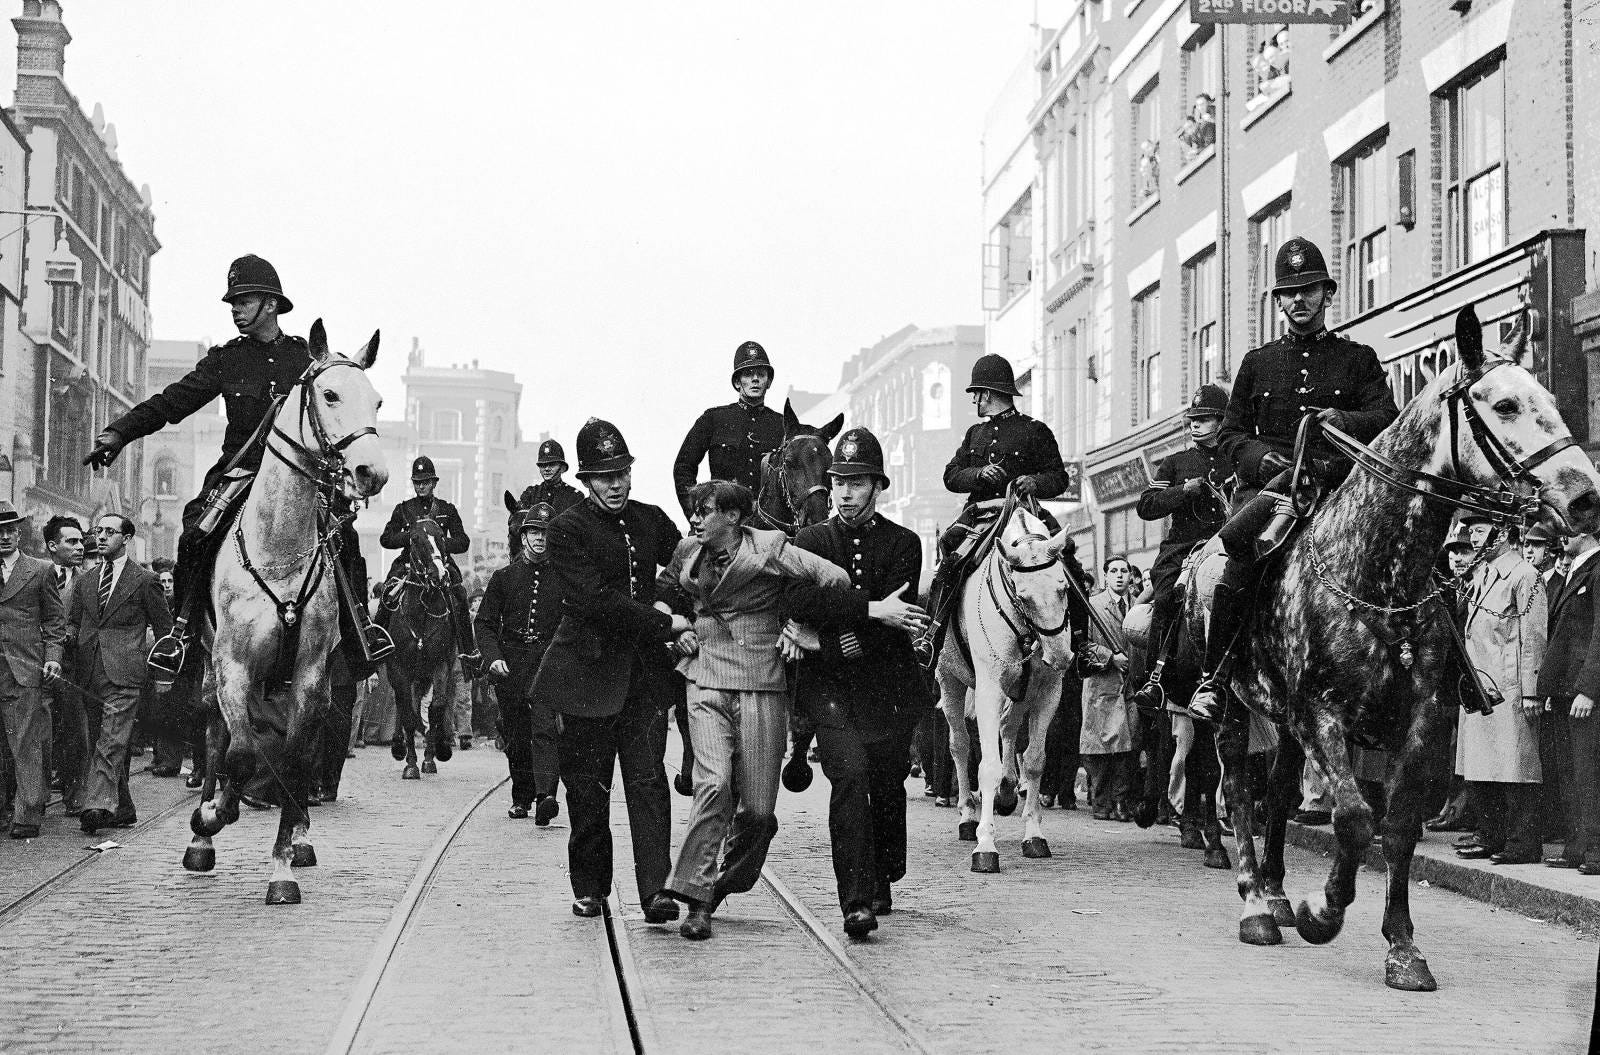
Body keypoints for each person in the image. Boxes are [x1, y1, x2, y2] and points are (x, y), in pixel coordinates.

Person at [82, 254, 389, 677]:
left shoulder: (305, 360)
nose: (234, 310)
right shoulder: (226, 359)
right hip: (241, 473)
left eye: (242, 301)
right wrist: (120, 433)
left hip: (300, 479)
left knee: (345, 539)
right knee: (194, 535)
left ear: (269, 303)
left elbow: (339, 411)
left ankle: (360, 635)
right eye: (233, 302)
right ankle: (183, 635)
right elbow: (173, 402)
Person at [1188, 237, 1400, 722]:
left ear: (1328, 294)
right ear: (1279, 301)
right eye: (1289, 292)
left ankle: (1448, 674)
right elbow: (1231, 434)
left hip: (1339, 488)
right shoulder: (1257, 363)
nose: (1299, 300)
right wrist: (1260, 458)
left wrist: (1344, 420)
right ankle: (1214, 677)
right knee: (1241, 556)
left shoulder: (1358, 358)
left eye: (1308, 289)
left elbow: (1386, 415)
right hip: (1275, 490)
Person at [658, 479, 854, 940]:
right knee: (714, 785)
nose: (695, 519)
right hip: (703, 676)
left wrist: (799, 624)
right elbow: (665, 591)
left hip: (760, 681)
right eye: (694, 510)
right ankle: (696, 899)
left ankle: (724, 881)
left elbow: (836, 580)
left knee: (760, 813)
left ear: (732, 515)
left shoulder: (770, 548)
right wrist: (673, 625)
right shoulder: (687, 551)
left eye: (704, 511)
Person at [527, 417, 690, 922]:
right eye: (603, 476)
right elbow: (597, 602)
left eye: (621, 472)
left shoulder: (652, 519)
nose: (615, 484)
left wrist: (667, 598)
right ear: (585, 481)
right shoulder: (565, 529)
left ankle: (656, 892)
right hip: (585, 677)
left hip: (641, 680)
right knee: (588, 789)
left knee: (648, 785)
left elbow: (684, 564)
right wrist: (663, 625)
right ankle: (592, 886)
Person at [782, 428, 933, 937]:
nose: (844, 493)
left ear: (877, 486)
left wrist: (834, 626)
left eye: (856, 482)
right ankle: (855, 901)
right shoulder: (812, 541)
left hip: (890, 688)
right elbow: (799, 603)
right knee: (847, 781)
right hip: (832, 688)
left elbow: (904, 615)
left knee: (887, 785)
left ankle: (883, 873)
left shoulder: (904, 544)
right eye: (838, 482)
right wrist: (867, 614)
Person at [918, 353, 1088, 664]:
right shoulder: (974, 434)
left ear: (989, 392)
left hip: (1024, 515)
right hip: (981, 517)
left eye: (977, 394)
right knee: (952, 561)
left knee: (1068, 564)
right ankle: (933, 637)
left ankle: (1082, 644)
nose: (976, 401)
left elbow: (1060, 478)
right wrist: (978, 474)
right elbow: (951, 475)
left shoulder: (1035, 430)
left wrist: (1034, 482)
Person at [68, 514, 173, 836]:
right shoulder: (86, 581)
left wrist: (163, 675)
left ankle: (96, 805)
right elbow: (73, 624)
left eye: (110, 532)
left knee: (111, 739)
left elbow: (165, 630)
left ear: (126, 538)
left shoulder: (144, 580)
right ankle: (123, 807)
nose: (101, 537)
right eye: (98, 531)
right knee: (101, 740)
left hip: (126, 672)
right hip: (88, 671)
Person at [1451, 516, 1547, 864]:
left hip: (1509, 684)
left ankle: (1522, 843)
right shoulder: (1486, 575)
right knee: (1484, 764)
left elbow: (1534, 634)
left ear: (1503, 533)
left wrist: (1532, 688)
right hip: (1480, 685)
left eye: (1479, 530)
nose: (1473, 538)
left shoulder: (1525, 575)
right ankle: (1491, 836)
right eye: (1471, 531)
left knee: (1515, 764)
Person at [1129, 383, 1231, 711]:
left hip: (1229, 544)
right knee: (1167, 600)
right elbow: (1147, 505)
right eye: (1192, 420)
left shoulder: (1238, 459)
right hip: (1184, 548)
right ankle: (1155, 679)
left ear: (1222, 420)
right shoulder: (1175, 463)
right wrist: (1183, 492)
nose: (1195, 425)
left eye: (1204, 418)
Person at [477, 502, 566, 824]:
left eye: (545, 532)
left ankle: (546, 795)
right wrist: (494, 658)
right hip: (511, 662)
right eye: (533, 532)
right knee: (516, 733)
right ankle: (521, 797)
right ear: (523, 536)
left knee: (544, 728)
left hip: (548, 662)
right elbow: (485, 623)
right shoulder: (504, 578)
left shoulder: (564, 577)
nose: (540, 538)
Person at [379, 455, 482, 675]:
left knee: (460, 596)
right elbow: (386, 539)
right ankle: (376, 643)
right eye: (417, 482)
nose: (421, 486)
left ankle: (467, 652)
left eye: (425, 482)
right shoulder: (403, 509)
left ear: (434, 483)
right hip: (409, 565)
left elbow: (463, 541)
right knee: (388, 594)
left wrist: (437, 542)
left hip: (439, 562)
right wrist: (413, 538)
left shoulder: (447, 509)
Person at [1537, 528, 1600, 872]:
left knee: (1588, 773)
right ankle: (1577, 848)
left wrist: (1589, 689)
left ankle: (1595, 852)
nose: (1562, 535)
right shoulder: (1577, 569)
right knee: (1570, 772)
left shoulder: (1597, 569)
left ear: (1588, 531)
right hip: (1565, 692)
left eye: (1569, 528)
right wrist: (1551, 691)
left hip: (1582, 692)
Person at [0, 503, 64, 839]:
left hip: (23, 670)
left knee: (25, 743)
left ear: (20, 532)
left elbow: (55, 620)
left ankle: (27, 814)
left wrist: (52, 656)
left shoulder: (39, 570)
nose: (5, 536)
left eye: (10, 529)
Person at [672, 341, 785, 520]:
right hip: (721, 520)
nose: (755, 379)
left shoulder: (782, 425)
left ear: (769, 381)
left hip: (767, 526)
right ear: (737, 382)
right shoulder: (713, 419)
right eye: (748, 374)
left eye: (761, 374)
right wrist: (697, 514)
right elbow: (683, 467)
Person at [1079, 555, 1137, 821]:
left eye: (1124, 571)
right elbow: (1083, 645)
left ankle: (1122, 802)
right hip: (1102, 684)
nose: (1119, 575)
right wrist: (1110, 657)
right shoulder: (1093, 607)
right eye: (1113, 571)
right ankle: (1101, 803)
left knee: (1127, 748)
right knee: (1101, 747)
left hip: (1130, 686)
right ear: (1105, 577)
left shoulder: (1139, 607)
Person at [42, 515, 86, 815]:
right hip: (37, 664)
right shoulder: (34, 573)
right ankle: (35, 795)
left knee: (76, 733)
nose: (80, 546)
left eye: (81, 540)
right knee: (38, 732)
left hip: (74, 668)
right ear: (52, 545)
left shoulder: (90, 579)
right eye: (72, 541)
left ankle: (75, 794)